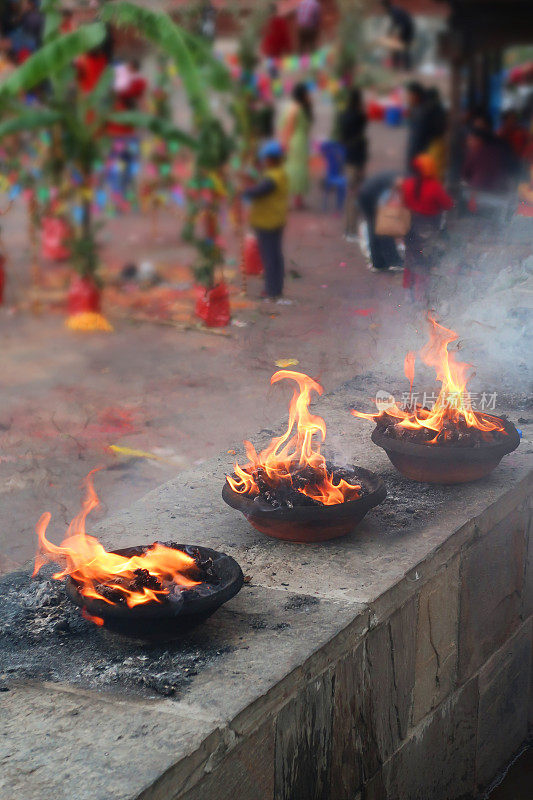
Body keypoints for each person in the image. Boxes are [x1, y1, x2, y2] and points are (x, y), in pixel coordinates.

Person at [401, 154, 453, 303]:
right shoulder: (434, 187)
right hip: (428, 229)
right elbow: (448, 204)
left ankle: (407, 292)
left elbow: (403, 202)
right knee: (424, 260)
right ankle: (420, 295)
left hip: (409, 227)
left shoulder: (408, 184)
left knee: (410, 258)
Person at [244, 140, 289, 301]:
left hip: (267, 222)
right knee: (275, 256)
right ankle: (275, 288)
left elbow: (257, 192)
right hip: (275, 220)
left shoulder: (272, 178)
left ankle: (272, 291)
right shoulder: (279, 173)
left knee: (270, 257)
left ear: (270, 159)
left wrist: (244, 190)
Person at [338, 88, 368, 239]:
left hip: (348, 158)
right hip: (357, 160)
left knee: (350, 195)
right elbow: (362, 140)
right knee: (355, 195)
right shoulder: (359, 117)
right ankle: (352, 231)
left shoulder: (343, 116)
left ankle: (348, 229)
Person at [357, 170, 402, 272]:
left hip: (367, 196)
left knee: (375, 229)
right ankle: (392, 261)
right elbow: (385, 202)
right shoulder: (393, 183)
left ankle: (379, 262)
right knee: (383, 229)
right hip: (369, 199)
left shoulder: (391, 180)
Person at [281, 82, 313, 209]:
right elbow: (288, 127)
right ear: (302, 94)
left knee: (299, 170)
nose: (309, 95)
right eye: (307, 93)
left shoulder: (299, 107)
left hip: (301, 141)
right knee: (292, 170)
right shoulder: (295, 108)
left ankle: (298, 200)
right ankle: (289, 200)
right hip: (296, 141)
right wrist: (285, 143)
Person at [382, 0, 415, 70]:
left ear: (384, 6)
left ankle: (404, 67)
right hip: (407, 28)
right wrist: (389, 32)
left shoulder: (394, 11)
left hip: (407, 29)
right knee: (400, 47)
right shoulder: (393, 10)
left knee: (402, 47)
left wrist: (397, 35)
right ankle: (398, 66)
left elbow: (401, 24)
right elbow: (394, 23)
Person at [405, 82, 432, 169]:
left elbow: (419, 136)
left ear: (417, 96)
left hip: (420, 150)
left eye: (410, 95)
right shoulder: (416, 109)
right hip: (416, 149)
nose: (408, 98)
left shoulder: (421, 111)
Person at [424, 88, 448, 180]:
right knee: (437, 167)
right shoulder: (438, 108)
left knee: (434, 168)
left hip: (435, 142)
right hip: (438, 141)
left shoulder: (432, 109)